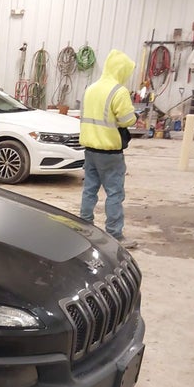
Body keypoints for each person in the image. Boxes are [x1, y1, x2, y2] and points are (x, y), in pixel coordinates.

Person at [79, 49, 138, 249]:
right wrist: (134, 116)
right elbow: (127, 119)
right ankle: (115, 234)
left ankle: (84, 227)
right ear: (121, 70)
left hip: (90, 150)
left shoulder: (91, 88)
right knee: (114, 193)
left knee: (89, 190)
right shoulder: (118, 91)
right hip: (110, 153)